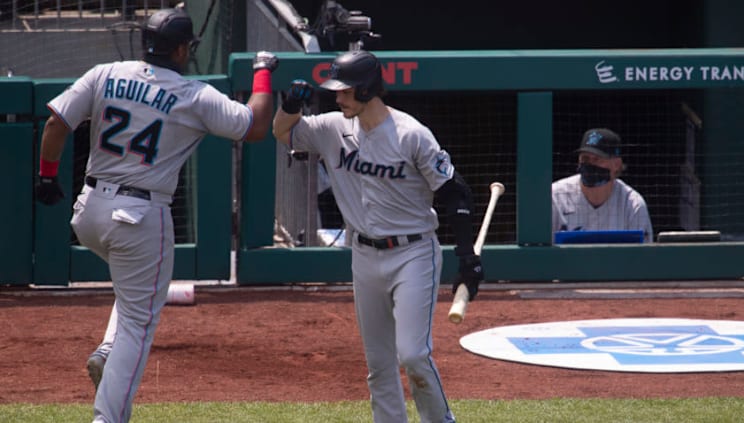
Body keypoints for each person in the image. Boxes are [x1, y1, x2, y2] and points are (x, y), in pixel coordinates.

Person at [33, 7, 278, 422]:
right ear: (182, 49)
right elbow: (254, 125)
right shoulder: (193, 94)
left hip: (89, 211)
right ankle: (106, 417)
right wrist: (263, 70)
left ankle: (107, 350)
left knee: (133, 293)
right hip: (140, 216)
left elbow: (56, 123)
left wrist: (46, 176)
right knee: (138, 324)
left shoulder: (105, 72)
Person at [272, 49, 484, 423]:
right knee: (379, 364)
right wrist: (290, 105)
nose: (338, 98)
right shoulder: (331, 128)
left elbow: (455, 192)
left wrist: (467, 258)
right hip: (364, 255)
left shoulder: (411, 134)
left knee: (414, 355)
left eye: (346, 91)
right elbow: (282, 132)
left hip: (413, 253)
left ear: (368, 90)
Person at [552, 128, 654, 242]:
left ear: (616, 164)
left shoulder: (632, 204)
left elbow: (642, 256)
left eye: (597, 159)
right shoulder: (556, 196)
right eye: (585, 158)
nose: (590, 164)